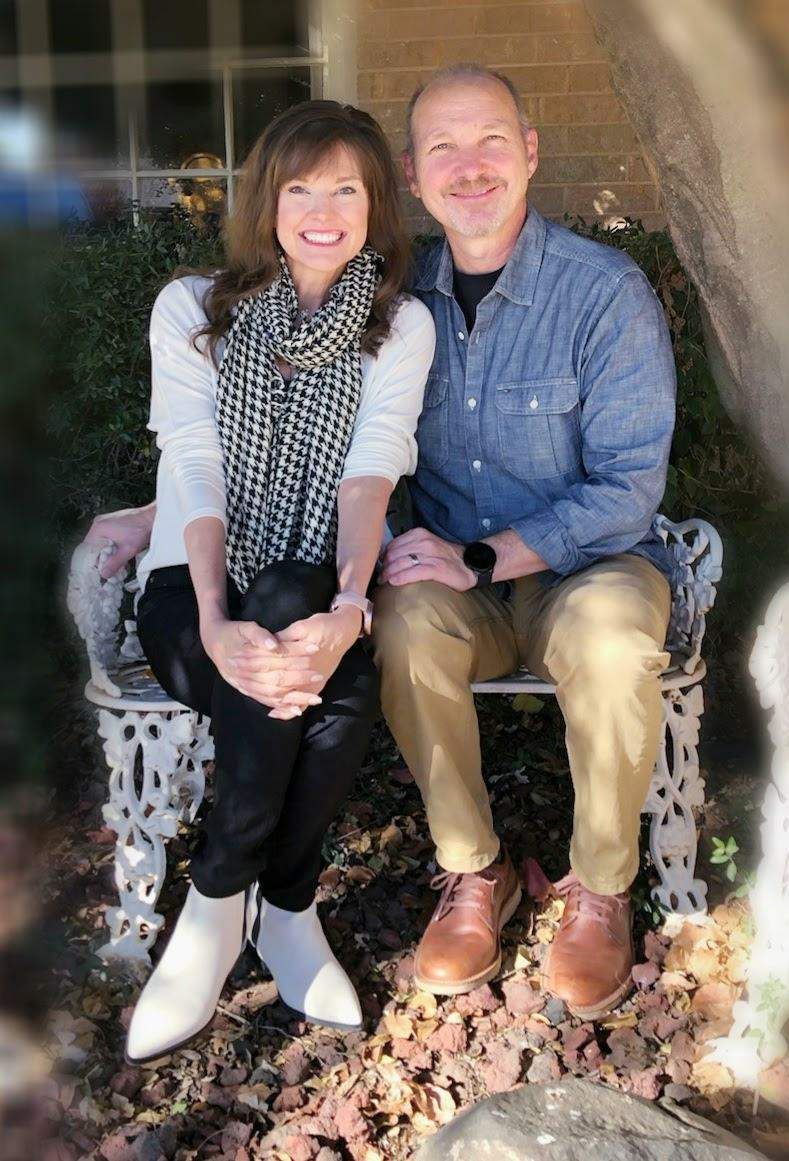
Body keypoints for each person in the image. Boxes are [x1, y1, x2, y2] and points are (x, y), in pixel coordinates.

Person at [86, 64, 677, 1023]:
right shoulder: (385, 299)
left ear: (530, 152)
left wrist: (453, 566)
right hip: (394, 574)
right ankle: (440, 878)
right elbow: (225, 454)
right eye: (443, 145)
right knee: (380, 633)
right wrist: (166, 523)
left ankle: (597, 889)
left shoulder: (581, 294)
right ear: (414, 173)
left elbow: (622, 486)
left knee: (594, 635)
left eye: (492, 139)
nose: (471, 166)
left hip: (578, 562)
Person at [103, 100, 435, 1064]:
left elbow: (377, 463)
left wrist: (345, 606)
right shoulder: (193, 308)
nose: (324, 209)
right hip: (188, 591)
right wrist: (211, 619)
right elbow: (194, 463)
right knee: (326, 687)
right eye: (301, 187)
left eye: (348, 188)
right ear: (267, 199)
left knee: (308, 619)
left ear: (377, 204)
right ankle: (280, 904)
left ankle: (223, 902)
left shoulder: (397, 324)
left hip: (310, 586)